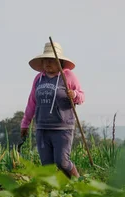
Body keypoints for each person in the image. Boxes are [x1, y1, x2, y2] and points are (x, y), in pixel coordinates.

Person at [20, 42, 84, 179]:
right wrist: (25, 123)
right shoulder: (38, 79)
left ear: (60, 62)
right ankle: (55, 191)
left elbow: (81, 96)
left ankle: (78, 181)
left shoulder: (68, 77)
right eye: (45, 60)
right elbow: (32, 102)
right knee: (47, 166)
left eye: (52, 60)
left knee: (62, 162)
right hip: (42, 127)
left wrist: (74, 95)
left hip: (62, 127)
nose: (48, 63)